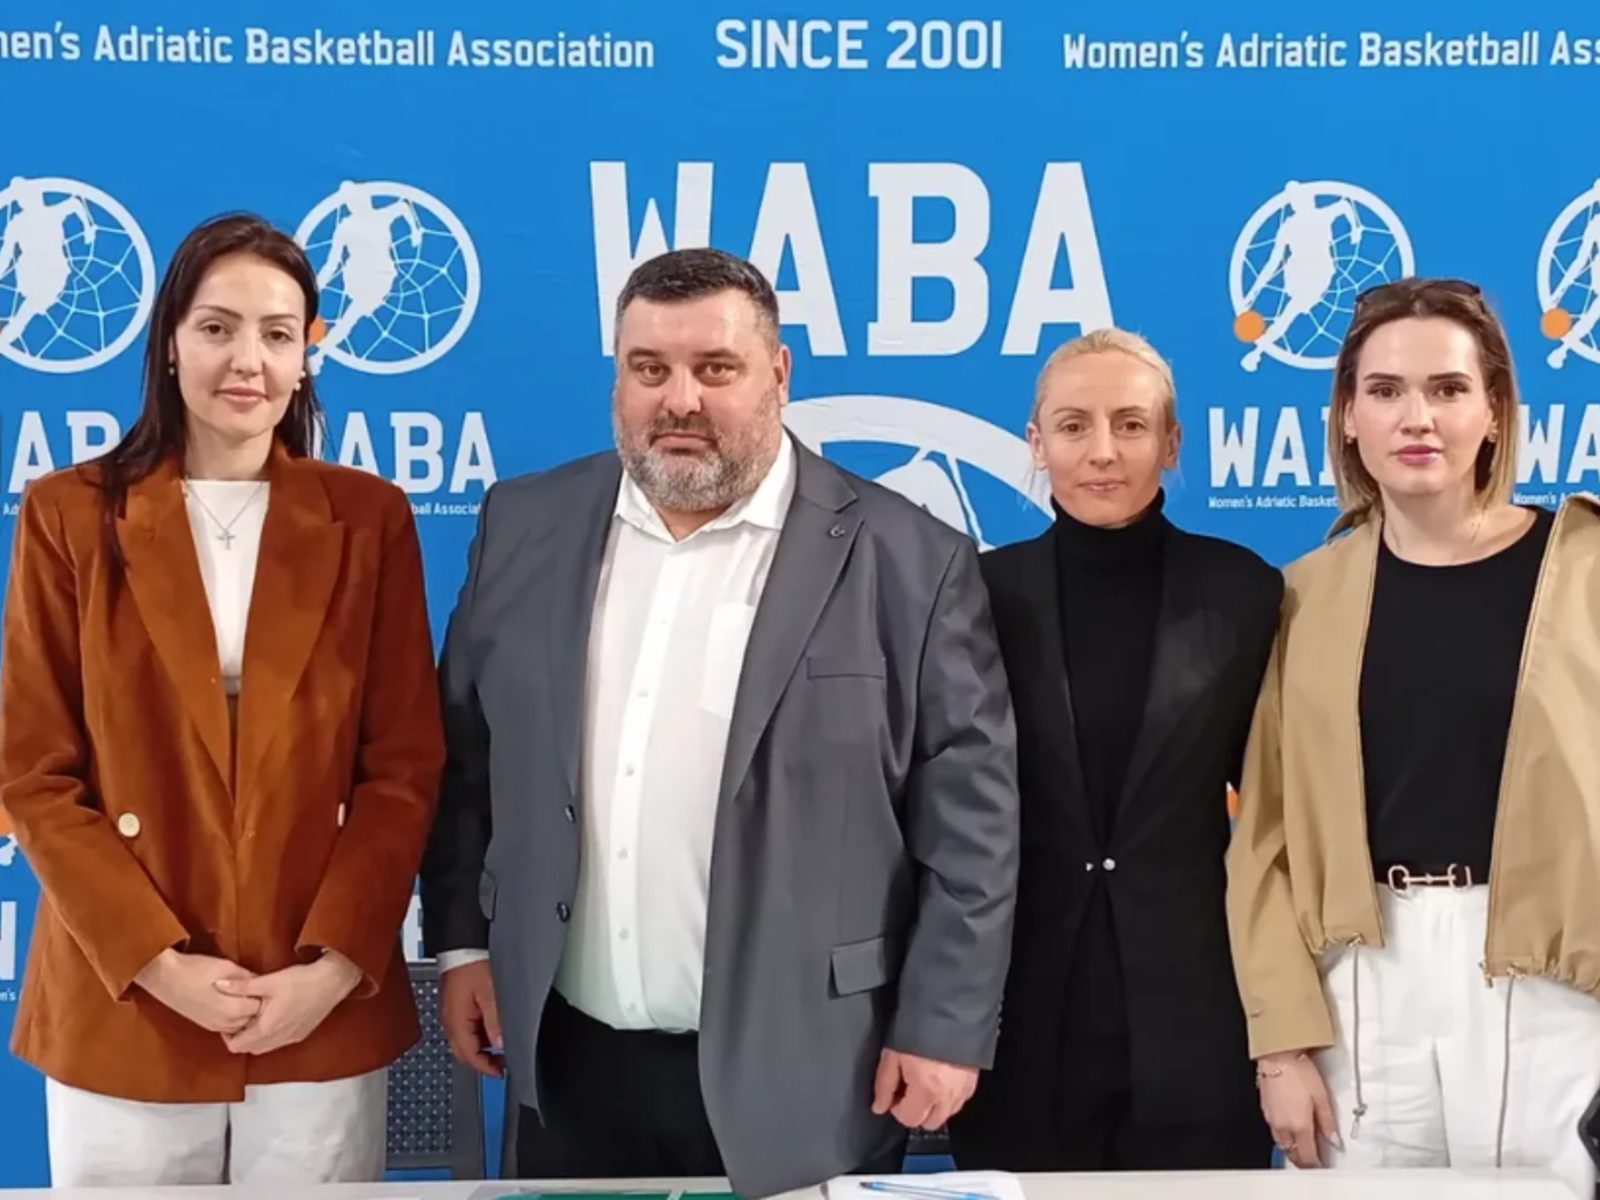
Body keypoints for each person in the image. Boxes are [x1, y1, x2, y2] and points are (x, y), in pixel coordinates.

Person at [419, 247, 1020, 1199]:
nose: (680, 401)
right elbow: (466, 759)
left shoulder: (912, 559)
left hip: (811, 1067)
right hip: (568, 1063)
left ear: (778, 373)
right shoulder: (525, 524)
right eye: (649, 368)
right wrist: (464, 944)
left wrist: (943, 1024)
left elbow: (972, 825)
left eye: (716, 368)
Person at [0, 213, 445, 1186]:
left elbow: (404, 767)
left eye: (278, 334)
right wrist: (158, 963)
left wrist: (333, 967)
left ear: (305, 357)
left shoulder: (368, 519)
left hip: (314, 1002)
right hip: (126, 999)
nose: (248, 360)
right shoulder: (69, 514)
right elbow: (32, 773)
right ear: (169, 343)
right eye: (217, 328)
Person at [1226, 277, 1600, 1197]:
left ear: (1495, 410)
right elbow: (1265, 835)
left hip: (1556, 987)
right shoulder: (1304, 595)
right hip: (1362, 984)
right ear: (1349, 417)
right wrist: (1281, 1044)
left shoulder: (1586, 570)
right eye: (1386, 390)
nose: (1416, 417)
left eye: (1448, 388)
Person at [946, 330, 1280, 1172]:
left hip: (1199, 1025)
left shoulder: (1245, 592)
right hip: (1018, 1028)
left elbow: (1281, 817)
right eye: (1073, 426)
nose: (1103, 451)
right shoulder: (978, 595)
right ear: (1036, 443)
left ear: (1171, 442)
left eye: (1131, 425)